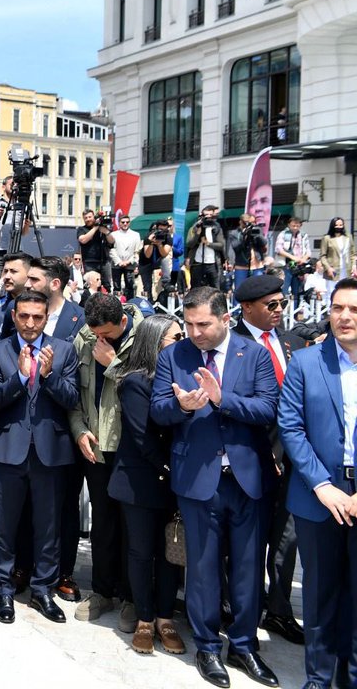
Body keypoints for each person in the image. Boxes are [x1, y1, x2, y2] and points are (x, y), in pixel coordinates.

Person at [151, 286, 280, 688]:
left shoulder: (254, 353)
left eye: (203, 323)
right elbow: (157, 409)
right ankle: (207, 646)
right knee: (203, 569)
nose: (195, 332)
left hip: (246, 479)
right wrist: (181, 407)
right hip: (197, 479)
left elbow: (268, 409)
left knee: (246, 569)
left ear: (225, 318)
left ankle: (244, 645)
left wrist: (223, 400)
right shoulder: (174, 355)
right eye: (188, 324)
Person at [278, 277, 357, 689]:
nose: (345, 316)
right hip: (317, 495)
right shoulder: (307, 362)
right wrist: (323, 486)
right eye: (338, 308)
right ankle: (319, 678)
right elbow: (291, 428)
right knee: (320, 595)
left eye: (354, 310)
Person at [0, 290, 80, 625]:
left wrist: (49, 374)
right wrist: (22, 377)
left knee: (48, 527)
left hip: (51, 455)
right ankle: (4, 591)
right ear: (14, 316)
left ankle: (42, 590)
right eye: (24, 316)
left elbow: (71, 400)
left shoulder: (65, 350)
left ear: (45, 318)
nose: (30, 323)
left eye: (37, 317)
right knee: (2, 527)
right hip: (7, 453)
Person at [229, 273, 308, 645]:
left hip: (295, 460)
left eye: (283, 304)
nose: (279, 311)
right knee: (247, 542)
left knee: (285, 539)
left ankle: (278, 609)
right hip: (251, 459)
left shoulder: (290, 343)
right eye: (271, 305)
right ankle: (240, 606)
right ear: (247, 308)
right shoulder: (231, 343)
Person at [107, 314, 187, 656]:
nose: (182, 341)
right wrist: (172, 468)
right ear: (155, 340)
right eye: (175, 336)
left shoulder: (182, 378)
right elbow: (142, 437)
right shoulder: (135, 382)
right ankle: (143, 619)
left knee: (170, 552)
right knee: (141, 552)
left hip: (173, 480)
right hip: (142, 480)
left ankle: (165, 618)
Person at [68, 293, 145, 623]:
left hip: (131, 450)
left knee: (132, 527)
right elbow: (73, 394)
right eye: (95, 333)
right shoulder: (83, 337)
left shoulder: (146, 336)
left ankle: (131, 596)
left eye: (107, 334)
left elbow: (147, 389)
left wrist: (112, 364)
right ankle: (102, 591)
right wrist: (79, 430)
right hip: (95, 447)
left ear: (123, 322)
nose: (99, 340)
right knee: (102, 524)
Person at [186, 206, 225, 290]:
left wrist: (208, 244)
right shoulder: (195, 227)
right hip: (197, 262)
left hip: (212, 263)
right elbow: (189, 244)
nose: (208, 217)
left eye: (211, 215)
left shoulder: (216, 228)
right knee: (195, 288)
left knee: (215, 288)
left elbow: (221, 245)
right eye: (206, 215)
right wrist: (197, 234)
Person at [78, 209, 115, 295]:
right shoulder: (82, 229)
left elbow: (112, 241)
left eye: (90, 217)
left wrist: (106, 232)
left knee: (107, 285)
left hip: (104, 261)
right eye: (85, 218)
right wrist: (95, 228)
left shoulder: (103, 228)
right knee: (91, 285)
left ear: (94, 216)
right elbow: (83, 240)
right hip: (89, 262)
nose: (88, 219)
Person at [230, 213, 268, 294]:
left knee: (258, 290)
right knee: (240, 290)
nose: (250, 225)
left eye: (253, 222)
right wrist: (245, 236)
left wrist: (257, 235)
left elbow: (264, 243)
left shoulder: (256, 230)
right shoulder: (234, 233)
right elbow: (236, 248)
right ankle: (239, 306)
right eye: (247, 222)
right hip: (241, 266)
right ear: (240, 222)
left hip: (257, 265)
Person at [139, 220, 173, 301]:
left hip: (158, 260)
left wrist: (159, 244)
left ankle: (166, 282)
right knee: (147, 286)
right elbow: (147, 255)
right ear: (155, 229)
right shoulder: (149, 236)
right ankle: (150, 302)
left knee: (165, 259)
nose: (162, 232)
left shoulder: (168, 237)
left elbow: (164, 254)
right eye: (160, 230)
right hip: (145, 262)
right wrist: (151, 242)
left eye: (164, 230)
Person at [109, 216, 142, 299]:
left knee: (130, 286)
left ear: (129, 223)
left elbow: (137, 251)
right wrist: (119, 262)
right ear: (119, 223)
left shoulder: (136, 235)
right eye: (123, 222)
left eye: (127, 222)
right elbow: (111, 250)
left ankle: (130, 305)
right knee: (116, 286)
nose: (125, 224)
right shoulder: (113, 234)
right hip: (116, 264)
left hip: (130, 264)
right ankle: (116, 304)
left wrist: (129, 261)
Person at [321, 216, 353, 294]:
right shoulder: (327, 238)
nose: (339, 227)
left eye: (340, 225)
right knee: (332, 293)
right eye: (336, 225)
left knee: (346, 291)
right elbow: (323, 256)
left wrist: (354, 265)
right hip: (333, 270)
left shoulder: (348, 237)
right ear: (333, 225)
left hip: (346, 270)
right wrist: (328, 268)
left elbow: (353, 253)